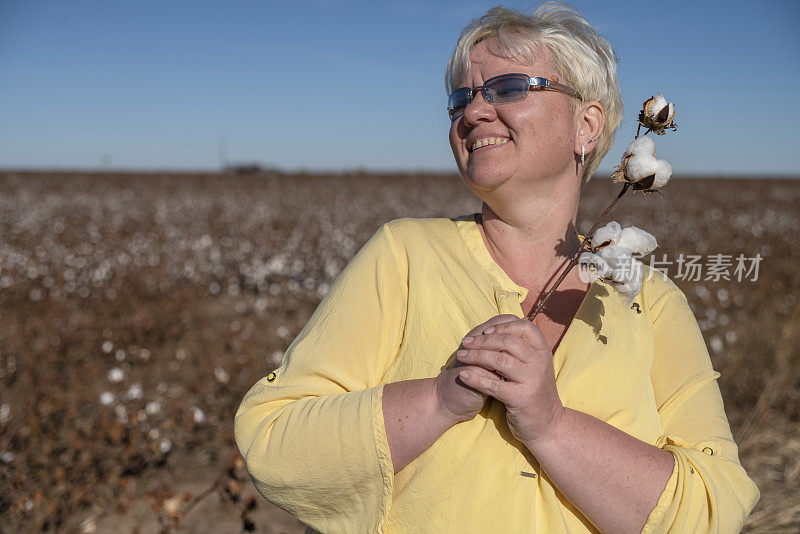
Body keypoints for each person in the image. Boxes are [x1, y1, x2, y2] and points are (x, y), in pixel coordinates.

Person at [235, 3, 759, 533]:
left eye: (508, 87)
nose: (473, 111)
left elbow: (716, 509)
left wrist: (551, 426)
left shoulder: (650, 303)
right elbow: (274, 442)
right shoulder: (405, 256)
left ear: (587, 124)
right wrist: (438, 400)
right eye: (460, 99)